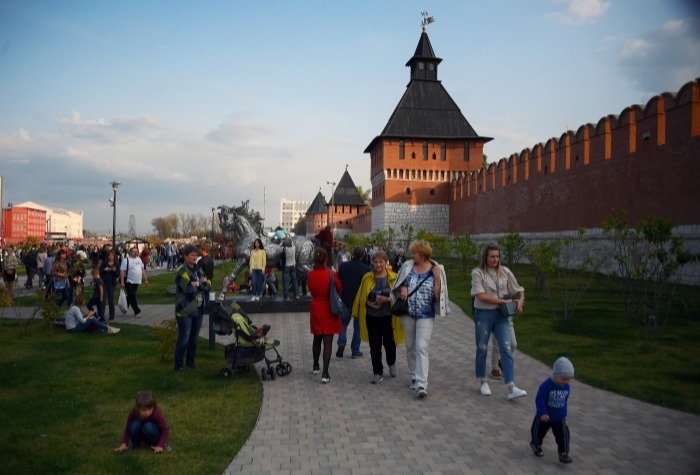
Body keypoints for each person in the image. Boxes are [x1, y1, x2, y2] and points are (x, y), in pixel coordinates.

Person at [390, 240, 448, 398]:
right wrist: (403, 288)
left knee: (422, 346)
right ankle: (414, 375)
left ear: (423, 255)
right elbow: (397, 285)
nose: (412, 255)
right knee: (410, 346)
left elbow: (437, 296)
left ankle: (422, 384)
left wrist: (437, 279)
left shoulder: (436, 269)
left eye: (414, 253)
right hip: (407, 312)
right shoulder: (407, 266)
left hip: (426, 314)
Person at [471, 244, 526, 400]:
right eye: (492, 256)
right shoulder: (478, 273)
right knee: (482, 347)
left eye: (497, 256)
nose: (495, 259)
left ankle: (511, 386)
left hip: (502, 315)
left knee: (506, 347)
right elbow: (481, 295)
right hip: (483, 314)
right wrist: (504, 301)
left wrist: (521, 300)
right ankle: (483, 381)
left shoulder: (505, 272)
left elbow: (519, 288)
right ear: (485, 258)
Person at [353, 250, 404, 384]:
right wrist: (368, 302)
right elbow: (361, 296)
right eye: (376, 262)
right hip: (372, 317)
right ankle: (377, 372)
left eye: (381, 262)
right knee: (374, 345)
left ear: (386, 262)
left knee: (389, 343)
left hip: (388, 317)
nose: (378, 265)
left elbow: (399, 297)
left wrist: (386, 300)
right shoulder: (367, 278)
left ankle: (391, 363)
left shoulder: (394, 277)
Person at [307, 247, 343, 383]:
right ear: (326, 259)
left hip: (316, 306)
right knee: (328, 341)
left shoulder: (310, 274)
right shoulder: (331, 274)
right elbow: (339, 288)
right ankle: (325, 373)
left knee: (317, 338)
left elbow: (310, 288)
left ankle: (315, 365)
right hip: (329, 308)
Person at [530, 357, 575, 464]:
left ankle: (563, 453)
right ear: (555, 375)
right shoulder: (546, 386)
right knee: (538, 432)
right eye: (563, 379)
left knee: (563, 434)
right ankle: (536, 445)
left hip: (559, 417)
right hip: (544, 416)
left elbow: (565, 399)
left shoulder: (566, 386)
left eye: (568, 379)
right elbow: (540, 399)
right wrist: (542, 412)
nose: (566, 382)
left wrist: (563, 412)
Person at [174, 244, 210, 372]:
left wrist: (198, 283)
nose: (195, 257)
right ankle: (178, 364)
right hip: (185, 308)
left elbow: (208, 284)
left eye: (196, 255)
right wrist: (201, 284)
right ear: (185, 256)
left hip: (198, 307)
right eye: (192, 255)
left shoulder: (198, 270)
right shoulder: (181, 271)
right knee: (184, 338)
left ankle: (190, 361)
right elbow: (187, 288)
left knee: (194, 338)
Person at [337, 246, 370, 359]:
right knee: (358, 327)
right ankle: (355, 350)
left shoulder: (343, 266)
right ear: (363, 256)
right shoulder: (366, 269)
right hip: (359, 302)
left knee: (343, 324)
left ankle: (341, 342)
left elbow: (339, 280)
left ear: (353, 254)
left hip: (345, 299)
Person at [120, 246, 148, 318]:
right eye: (134, 251)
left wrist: (145, 279)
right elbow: (122, 271)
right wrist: (122, 282)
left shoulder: (139, 259)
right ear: (130, 252)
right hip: (129, 281)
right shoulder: (126, 260)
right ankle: (137, 311)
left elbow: (142, 269)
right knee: (132, 296)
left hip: (137, 281)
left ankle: (124, 307)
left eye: (137, 251)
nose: (136, 253)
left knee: (130, 295)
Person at [100, 250, 120, 321]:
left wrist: (113, 270)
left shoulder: (116, 263)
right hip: (104, 283)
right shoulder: (104, 263)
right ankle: (101, 315)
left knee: (111, 298)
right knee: (103, 298)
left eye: (112, 255)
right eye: (109, 255)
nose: (110, 257)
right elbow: (100, 272)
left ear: (114, 256)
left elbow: (118, 274)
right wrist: (104, 270)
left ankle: (112, 315)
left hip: (112, 283)